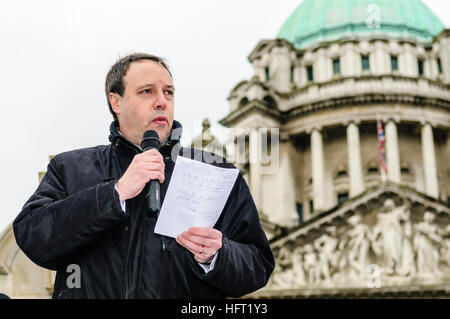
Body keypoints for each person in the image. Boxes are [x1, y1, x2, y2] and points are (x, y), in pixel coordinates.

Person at [13, 53, 274, 299]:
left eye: (168, 92)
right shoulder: (69, 167)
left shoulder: (214, 170)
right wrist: (114, 194)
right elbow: (32, 237)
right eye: (147, 91)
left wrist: (218, 255)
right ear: (116, 102)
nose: (162, 101)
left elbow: (259, 264)